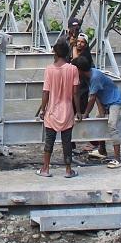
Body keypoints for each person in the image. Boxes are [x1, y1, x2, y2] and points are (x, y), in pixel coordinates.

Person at [36, 39, 79, 179]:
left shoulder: (49, 69)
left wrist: (42, 110)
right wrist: (78, 111)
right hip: (67, 110)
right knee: (67, 142)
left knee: (49, 141)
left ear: (55, 52)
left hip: (52, 111)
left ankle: (45, 168)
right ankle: (68, 170)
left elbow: (45, 92)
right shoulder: (73, 69)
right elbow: (75, 93)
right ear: (67, 53)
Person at [80, 63, 121, 168]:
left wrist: (86, 113)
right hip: (104, 100)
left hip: (115, 101)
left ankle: (118, 159)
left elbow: (92, 97)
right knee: (99, 124)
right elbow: (97, 94)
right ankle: (102, 150)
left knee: (112, 126)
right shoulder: (87, 76)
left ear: (80, 70)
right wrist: (101, 110)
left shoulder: (94, 77)